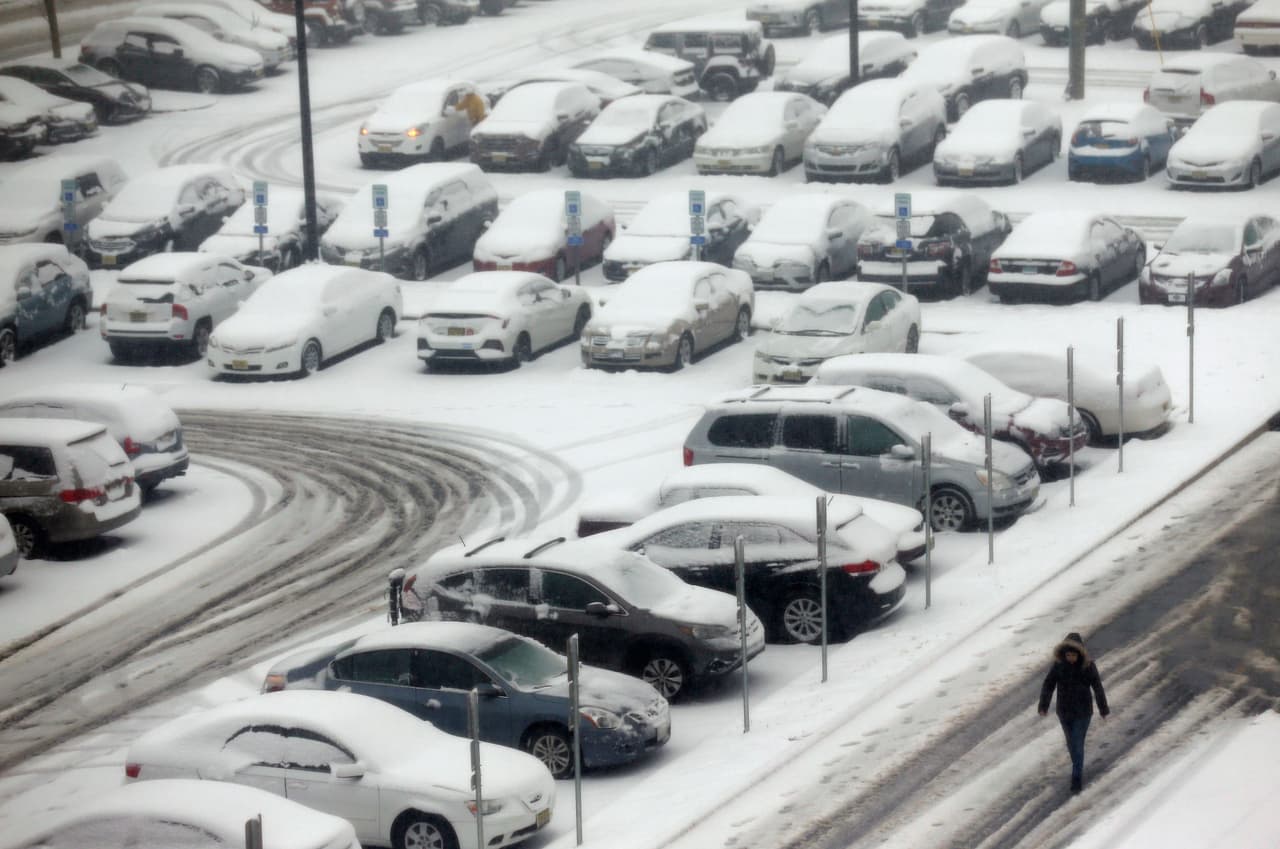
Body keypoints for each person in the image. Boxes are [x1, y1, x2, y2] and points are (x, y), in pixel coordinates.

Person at [1038, 631, 1109, 794]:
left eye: (1073, 655)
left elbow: (1097, 687)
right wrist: (1043, 706)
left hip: (1083, 713)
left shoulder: (1088, 666)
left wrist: (1103, 708)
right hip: (1064, 712)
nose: (1071, 658)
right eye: (1068, 655)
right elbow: (1048, 685)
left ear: (1079, 654)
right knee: (1071, 744)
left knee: (1077, 743)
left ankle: (1076, 778)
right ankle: (1077, 765)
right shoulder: (1058, 666)